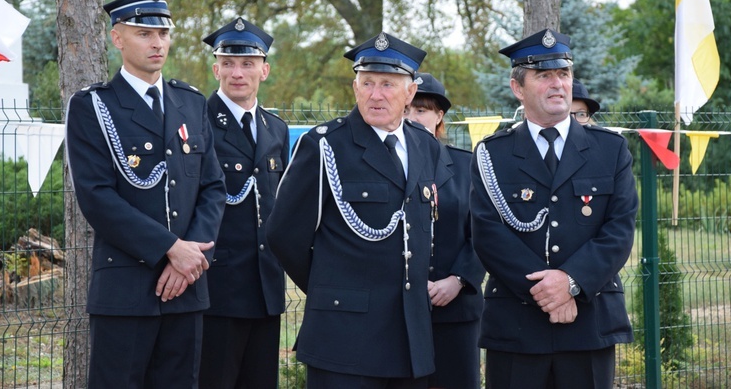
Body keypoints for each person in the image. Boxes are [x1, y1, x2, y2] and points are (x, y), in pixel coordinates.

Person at [64, 0, 227, 388]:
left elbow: (213, 188)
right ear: (117, 38)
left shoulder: (190, 102)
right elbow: (97, 198)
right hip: (126, 289)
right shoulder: (93, 106)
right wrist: (171, 250)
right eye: (144, 33)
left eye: (164, 33)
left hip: (187, 287)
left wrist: (190, 258)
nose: (158, 43)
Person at [267, 32, 443, 388]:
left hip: (410, 336)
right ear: (355, 87)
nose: (376, 94)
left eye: (388, 85)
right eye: (367, 83)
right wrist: (333, 288)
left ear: (410, 93)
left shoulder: (424, 145)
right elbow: (283, 235)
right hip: (343, 336)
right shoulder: (324, 145)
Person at [470, 29, 638, 388]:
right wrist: (548, 292)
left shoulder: (610, 150)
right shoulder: (492, 154)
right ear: (518, 88)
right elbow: (486, 232)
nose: (558, 84)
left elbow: (619, 230)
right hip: (516, 325)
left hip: (588, 322)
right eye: (544, 76)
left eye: (563, 74)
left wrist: (570, 283)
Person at [199, 17, 290, 389]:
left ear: (264, 70)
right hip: (216, 288)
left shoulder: (276, 128)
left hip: (266, 288)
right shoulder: (198, 121)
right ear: (216, 67)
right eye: (229, 62)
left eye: (249, 63)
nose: (238, 72)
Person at [405, 73, 485, 389]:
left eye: (421, 110)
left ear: (439, 116)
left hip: (457, 310)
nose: (413, 117)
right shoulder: (384, 166)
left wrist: (459, 279)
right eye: (408, 108)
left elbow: (485, 231)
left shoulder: (467, 167)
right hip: (400, 310)